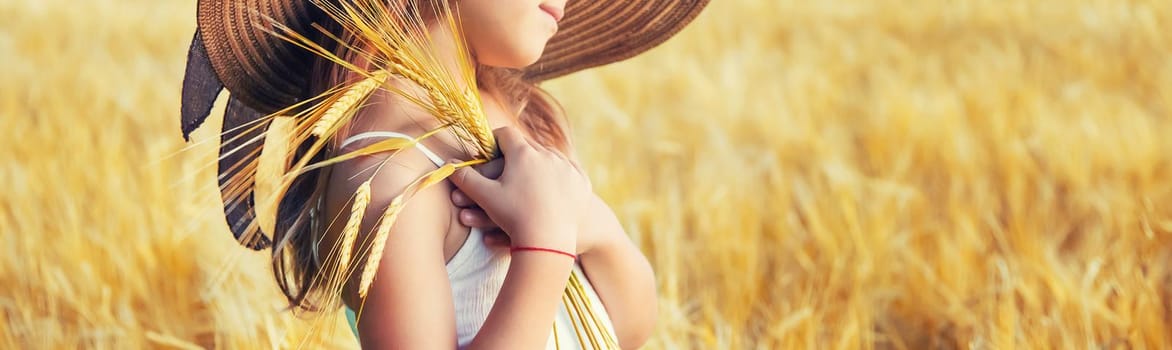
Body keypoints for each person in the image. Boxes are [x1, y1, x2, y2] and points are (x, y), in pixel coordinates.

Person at [180, 0, 708, 348]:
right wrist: (544, 250)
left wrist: (584, 224)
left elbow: (630, 325)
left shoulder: (521, 119)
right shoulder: (386, 175)